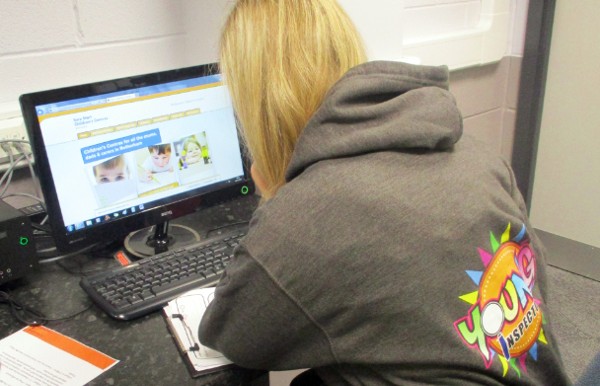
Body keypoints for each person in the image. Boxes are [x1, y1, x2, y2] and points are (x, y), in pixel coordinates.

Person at [198, 1, 571, 385]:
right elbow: (535, 282)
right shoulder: (482, 159)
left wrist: (275, 200)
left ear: (258, 104)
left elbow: (231, 335)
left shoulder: (307, 215)